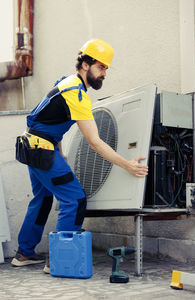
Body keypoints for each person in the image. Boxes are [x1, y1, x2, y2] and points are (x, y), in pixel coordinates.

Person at [11, 38, 148, 271]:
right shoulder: (77, 94)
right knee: (74, 199)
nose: (105, 73)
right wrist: (128, 165)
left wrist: (61, 154)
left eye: (106, 68)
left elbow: (50, 122)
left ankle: (24, 254)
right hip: (41, 150)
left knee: (42, 199)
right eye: (101, 66)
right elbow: (94, 142)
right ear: (85, 64)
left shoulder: (68, 83)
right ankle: (59, 259)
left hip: (35, 146)